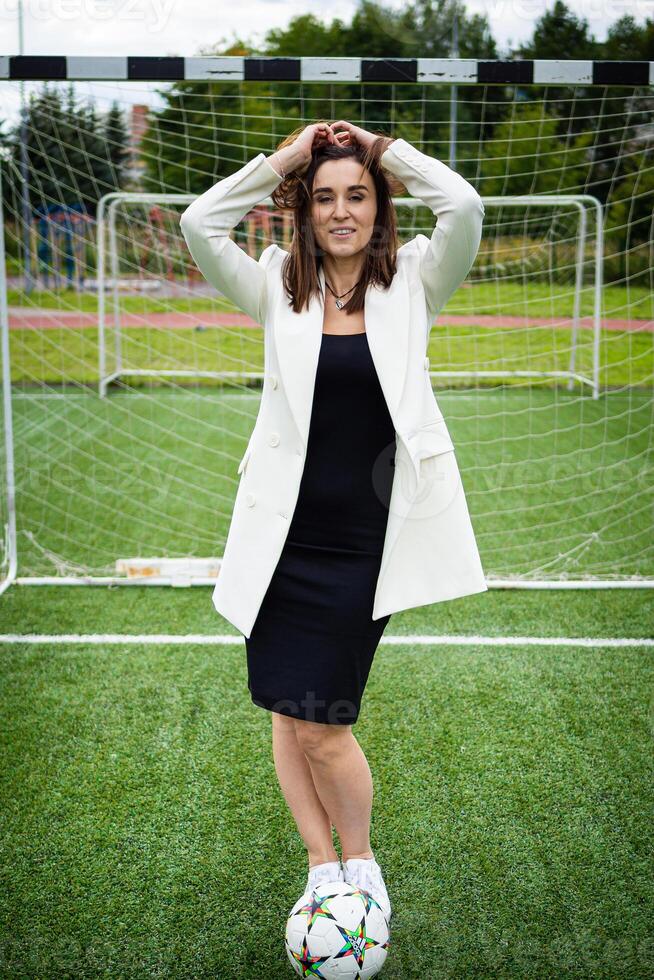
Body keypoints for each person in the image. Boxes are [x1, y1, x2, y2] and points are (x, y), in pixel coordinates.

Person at [180, 120, 485, 923]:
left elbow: (462, 203)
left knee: (325, 724)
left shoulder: (417, 279)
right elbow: (199, 224)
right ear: (305, 211)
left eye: (356, 196)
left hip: (365, 545)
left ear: (380, 206)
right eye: (324, 198)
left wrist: (384, 151)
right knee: (288, 711)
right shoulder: (277, 283)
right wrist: (286, 157)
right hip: (281, 537)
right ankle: (321, 869)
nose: (341, 211)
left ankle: (363, 863)